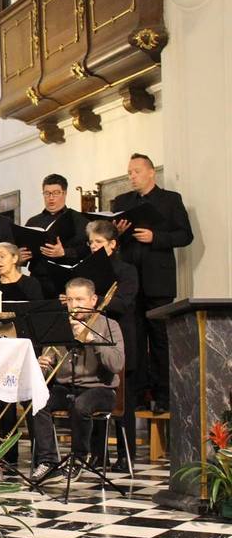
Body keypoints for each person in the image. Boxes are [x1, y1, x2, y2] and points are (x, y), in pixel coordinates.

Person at [112, 153, 193, 413]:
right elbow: (111, 239)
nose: (132, 176)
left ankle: (164, 397)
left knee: (160, 339)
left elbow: (185, 235)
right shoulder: (123, 202)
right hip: (130, 281)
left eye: (136, 171)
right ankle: (137, 395)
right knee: (133, 339)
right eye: (129, 172)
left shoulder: (170, 200)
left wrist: (155, 237)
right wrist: (118, 233)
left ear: (151, 172)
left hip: (159, 280)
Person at [31, 278, 125, 482]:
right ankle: (48, 461)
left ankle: (80, 457)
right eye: (70, 300)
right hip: (66, 386)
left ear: (93, 300)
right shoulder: (59, 324)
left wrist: (93, 340)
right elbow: (50, 367)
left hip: (101, 389)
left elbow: (116, 365)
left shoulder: (109, 325)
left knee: (81, 405)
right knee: (39, 401)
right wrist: (43, 365)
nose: (74, 305)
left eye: (80, 299)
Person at [85, 220, 139, 472]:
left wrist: (94, 300)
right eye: (91, 242)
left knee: (123, 401)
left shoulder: (126, 270)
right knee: (96, 393)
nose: (93, 246)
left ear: (112, 244)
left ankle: (126, 456)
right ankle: (98, 455)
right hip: (95, 338)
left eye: (99, 242)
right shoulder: (87, 272)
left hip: (120, 338)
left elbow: (123, 304)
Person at [20, 174, 89, 298]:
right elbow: (24, 250)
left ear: (65, 193)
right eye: (47, 193)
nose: (51, 198)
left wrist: (64, 252)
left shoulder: (78, 219)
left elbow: (86, 250)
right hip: (38, 280)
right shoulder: (33, 222)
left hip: (66, 281)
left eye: (56, 193)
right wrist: (22, 256)